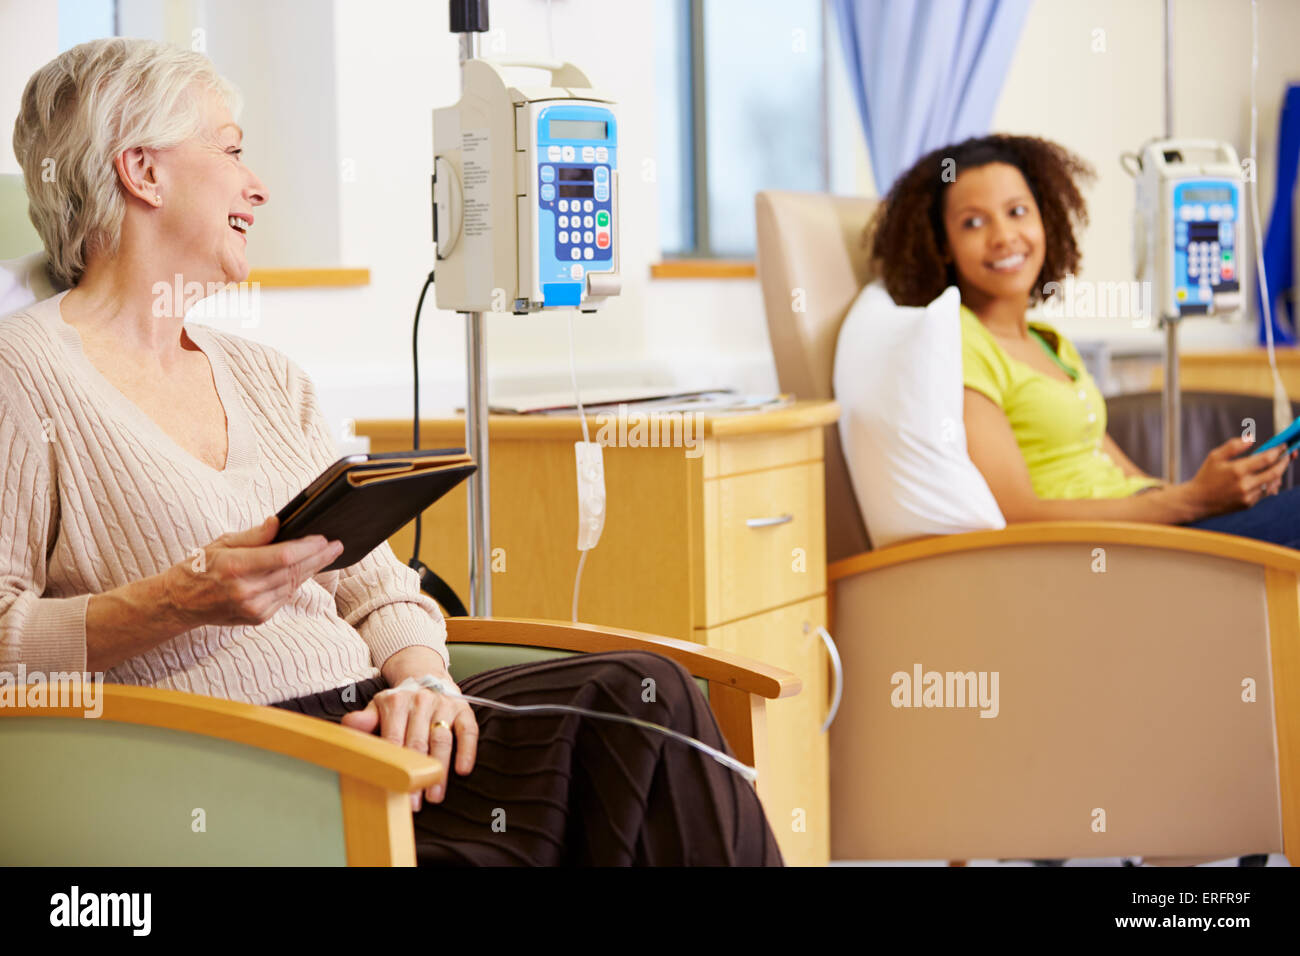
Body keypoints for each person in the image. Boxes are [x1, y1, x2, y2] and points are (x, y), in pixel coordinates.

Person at [0, 37, 781, 866]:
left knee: (640, 697)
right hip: (236, 768)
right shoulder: (23, 374)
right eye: (230, 150)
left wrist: (424, 681)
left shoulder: (269, 377)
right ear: (142, 172)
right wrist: (179, 600)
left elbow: (379, 592)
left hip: (373, 727)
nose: (257, 185)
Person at [868, 133, 1300, 548]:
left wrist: (1217, 491)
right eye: (973, 222)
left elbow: (1130, 479)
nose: (1002, 236)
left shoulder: (1049, 342)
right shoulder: (961, 341)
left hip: (1158, 529)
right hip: (1101, 552)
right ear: (942, 246)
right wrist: (1192, 501)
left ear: (1045, 220)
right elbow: (1014, 512)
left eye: (1017, 211)